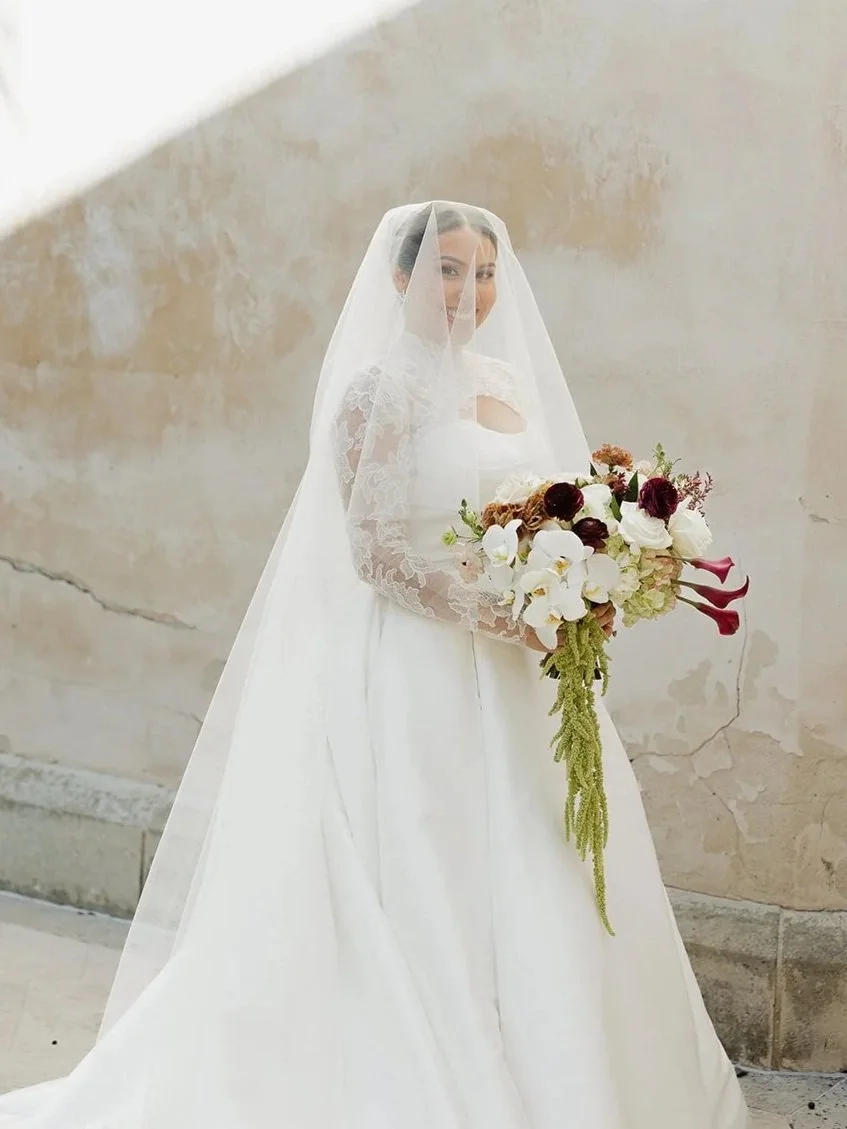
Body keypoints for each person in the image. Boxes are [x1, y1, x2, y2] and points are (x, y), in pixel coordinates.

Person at [0, 201, 749, 1128]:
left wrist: (586, 579)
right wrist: (503, 614)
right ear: (399, 280)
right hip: (417, 666)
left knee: (536, 856)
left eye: (481, 273)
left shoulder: (507, 381)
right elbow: (378, 553)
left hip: (519, 667)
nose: (468, 291)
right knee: (424, 856)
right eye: (446, 270)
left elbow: (541, 511)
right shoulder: (378, 393)